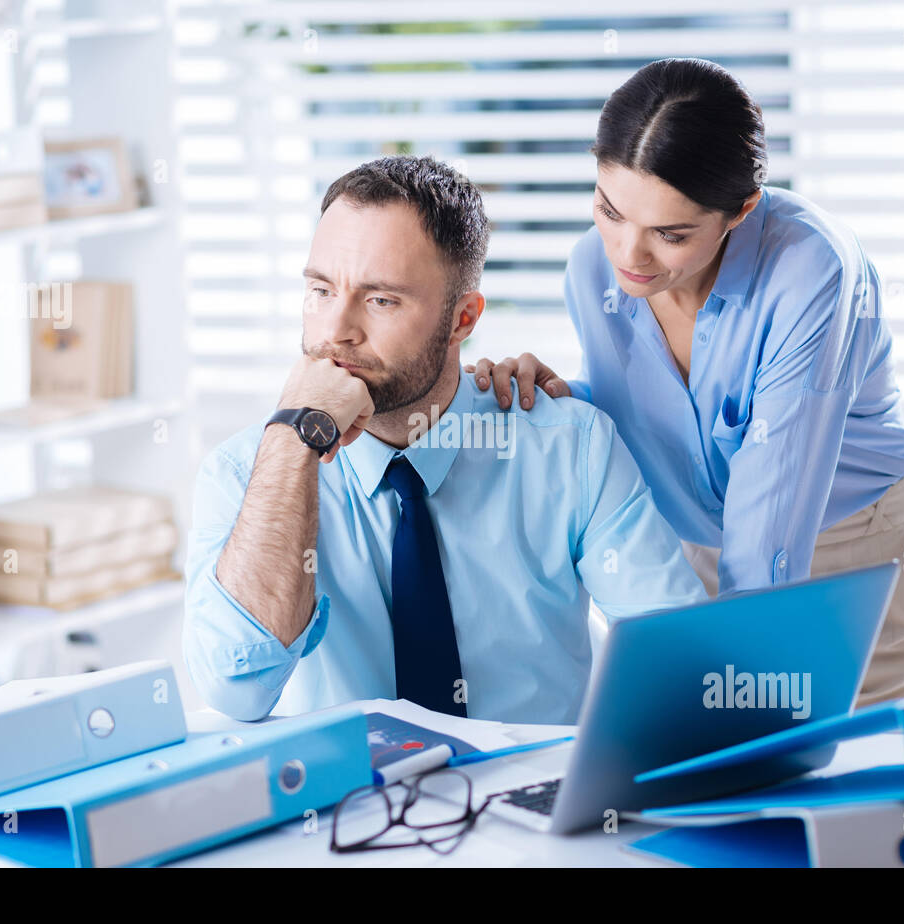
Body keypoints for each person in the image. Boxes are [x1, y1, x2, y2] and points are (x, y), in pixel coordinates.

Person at [467, 58, 904, 706]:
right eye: (609, 210)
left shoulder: (811, 273)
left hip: (850, 561)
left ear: (740, 209)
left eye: (670, 234)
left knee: (851, 785)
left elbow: (771, 514)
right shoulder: (590, 269)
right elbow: (653, 419)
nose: (627, 255)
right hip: (695, 552)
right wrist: (560, 398)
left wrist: (738, 686)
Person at [183, 155, 707, 724]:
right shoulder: (245, 474)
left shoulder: (567, 448)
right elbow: (236, 689)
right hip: (346, 806)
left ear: (463, 320)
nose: (336, 331)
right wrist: (292, 443)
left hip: (532, 799)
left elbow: (680, 662)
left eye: (381, 300)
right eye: (321, 290)